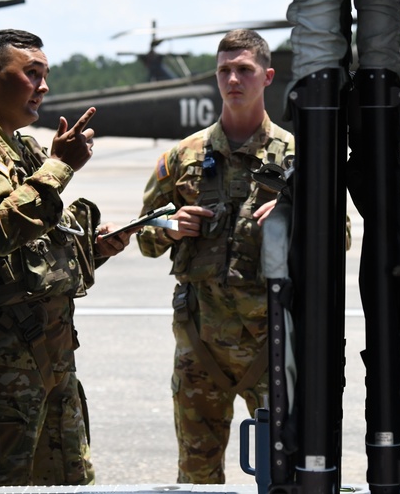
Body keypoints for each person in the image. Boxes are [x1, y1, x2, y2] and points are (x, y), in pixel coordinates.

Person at [0, 28, 135, 487]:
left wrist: (96, 248)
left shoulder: (19, 146)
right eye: (32, 74)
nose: (44, 86)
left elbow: (38, 250)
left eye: (45, 75)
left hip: (49, 359)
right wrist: (61, 167)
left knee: (68, 484)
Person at [136, 29, 295, 483]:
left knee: (284, 476)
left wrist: (295, 219)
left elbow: (338, 237)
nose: (233, 80)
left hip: (274, 348)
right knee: (196, 476)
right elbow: (143, 235)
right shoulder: (183, 157)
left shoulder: (298, 158)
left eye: (244, 70)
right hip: (200, 347)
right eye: (224, 70)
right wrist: (171, 225)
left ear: (267, 76)